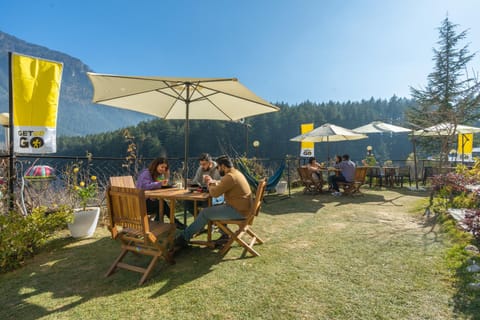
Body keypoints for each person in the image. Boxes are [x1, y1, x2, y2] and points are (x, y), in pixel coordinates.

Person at [175, 155, 252, 248]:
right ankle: (224, 234)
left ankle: (183, 238)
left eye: (218, 167)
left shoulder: (230, 177)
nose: (218, 170)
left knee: (205, 213)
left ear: (223, 166)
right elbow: (222, 184)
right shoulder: (236, 173)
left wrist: (209, 183)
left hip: (238, 211)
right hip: (243, 209)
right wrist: (213, 182)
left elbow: (215, 193)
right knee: (215, 207)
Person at [136, 157, 186, 229]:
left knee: (162, 204)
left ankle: (160, 223)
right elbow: (144, 186)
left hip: (149, 201)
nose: (163, 169)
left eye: (165, 168)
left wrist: (166, 178)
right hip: (141, 203)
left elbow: (160, 186)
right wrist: (159, 183)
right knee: (162, 204)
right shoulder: (146, 173)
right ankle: (174, 223)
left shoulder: (158, 175)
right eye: (162, 167)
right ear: (156, 165)